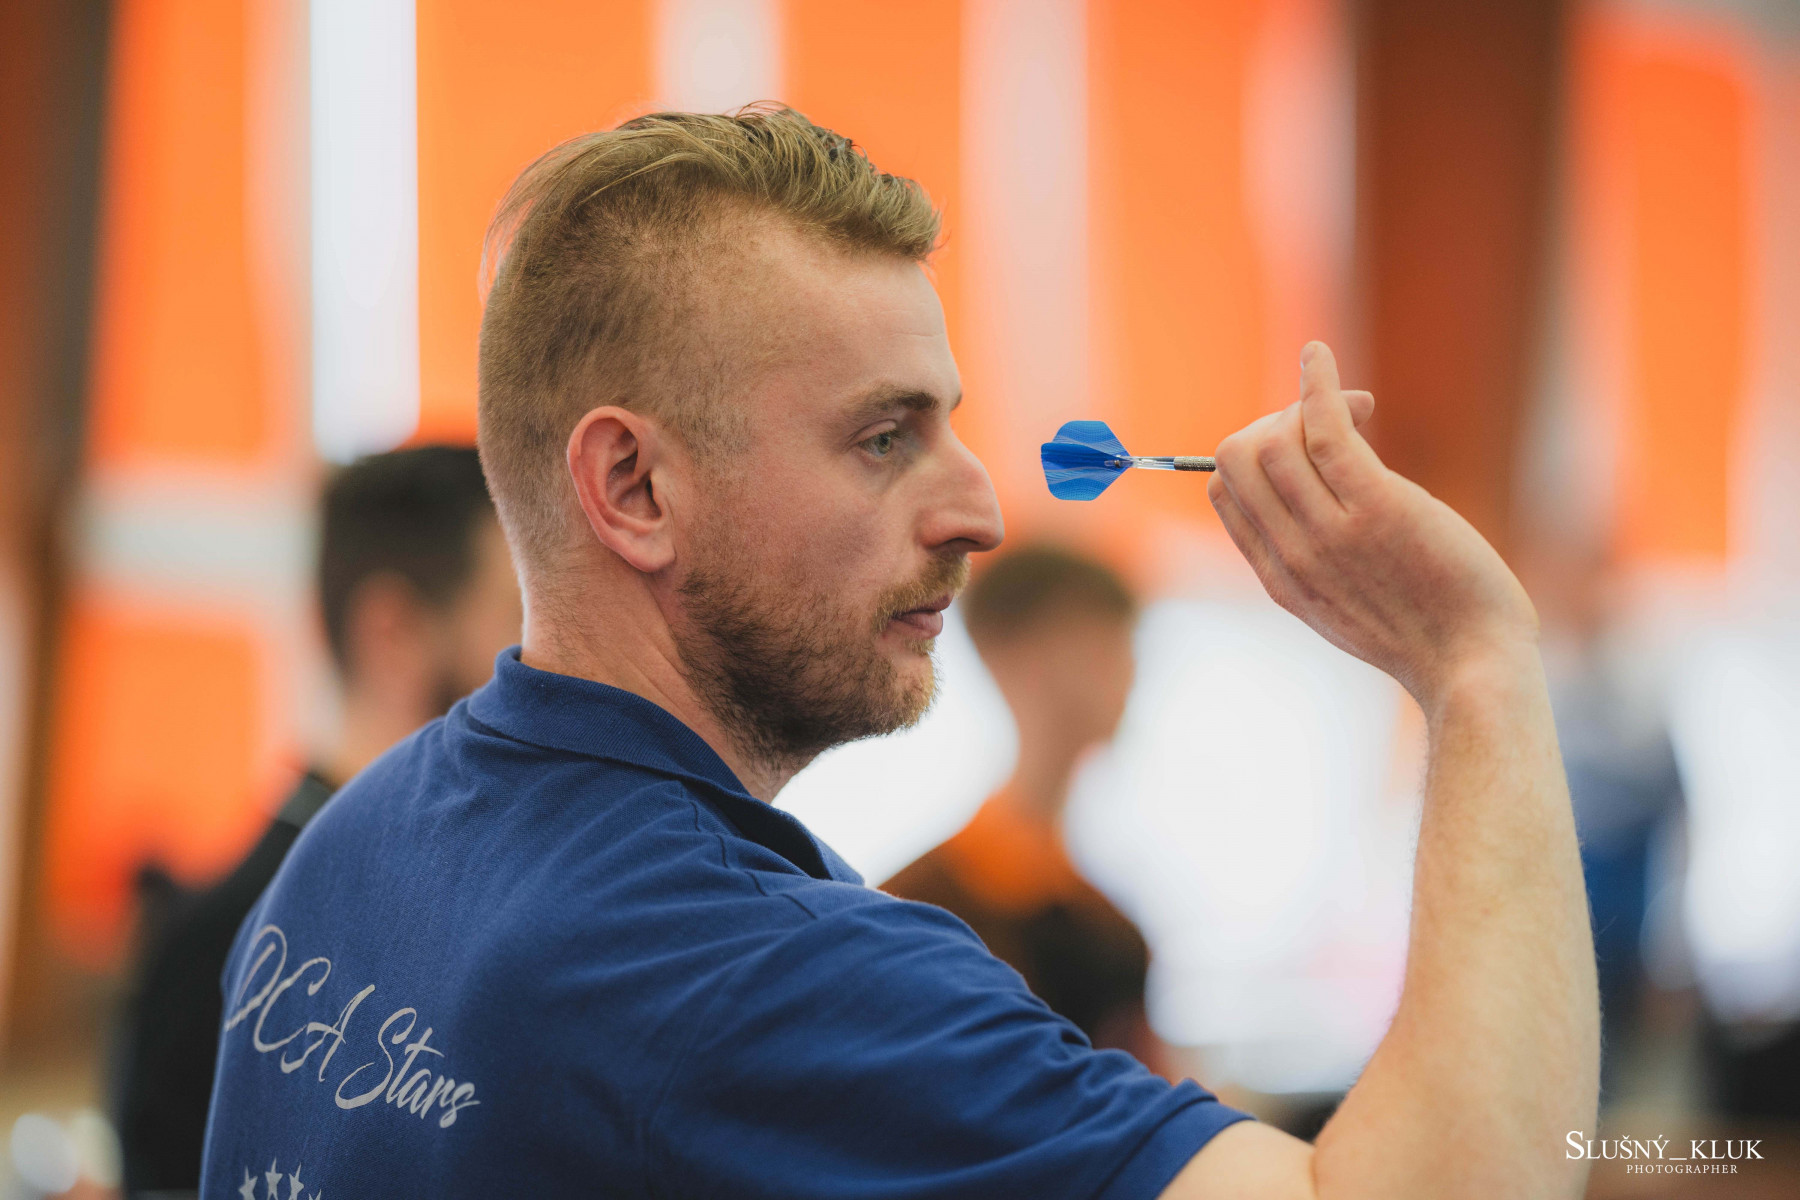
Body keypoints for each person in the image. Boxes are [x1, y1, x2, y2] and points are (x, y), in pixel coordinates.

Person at [200, 106, 1598, 1199]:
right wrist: (1477, 669)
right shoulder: (757, 982)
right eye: (883, 438)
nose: (980, 510)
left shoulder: (346, 853)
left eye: (949, 424)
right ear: (633, 488)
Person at [113, 446, 520, 1197]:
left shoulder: (495, 910)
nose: (548, 666)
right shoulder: (218, 947)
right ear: (393, 635)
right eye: (518, 618)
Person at [885, 545, 1167, 1071]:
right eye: (1104, 648)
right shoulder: (921, 905)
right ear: (1016, 658)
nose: (1130, 673)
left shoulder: (1109, 924)